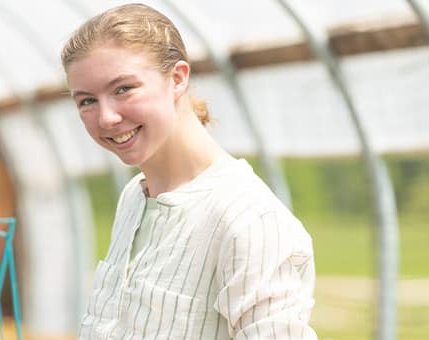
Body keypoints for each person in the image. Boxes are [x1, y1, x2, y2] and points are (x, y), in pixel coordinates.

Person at [61, 4, 316, 339]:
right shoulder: (134, 198)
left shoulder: (250, 221)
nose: (106, 117)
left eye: (123, 89)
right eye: (87, 101)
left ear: (178, 78)